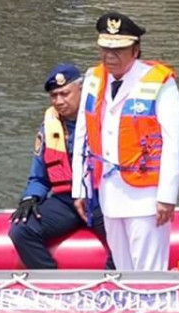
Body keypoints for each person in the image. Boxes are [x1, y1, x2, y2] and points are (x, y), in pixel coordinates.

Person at [71, 12, 179, 272]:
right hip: (108, 191)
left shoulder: (159, 83)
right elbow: (83, 134)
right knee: (122, 269)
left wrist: (167, 197)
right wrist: (80, 187)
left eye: (119, 50)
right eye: (105, 49)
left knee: (149, 272)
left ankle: (153, 312)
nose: (110, 56)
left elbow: (174, 143)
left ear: (135, 50)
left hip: (146, 194)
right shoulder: (93, 79)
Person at [9, 63, 109, 269]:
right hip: (67, 200)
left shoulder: (106, 120)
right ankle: (52, 283)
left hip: (102, 198)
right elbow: (39, 176)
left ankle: (107, 287)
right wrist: (30, 197)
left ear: (81, 90)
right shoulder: (49, 128)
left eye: (65, 94)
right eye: (54, 96)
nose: (59, 101)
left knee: (125, 241)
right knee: (21, 231)